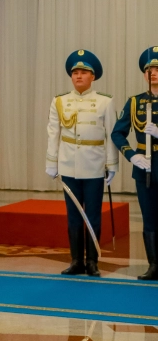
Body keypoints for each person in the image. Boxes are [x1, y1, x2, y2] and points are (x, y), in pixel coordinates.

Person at [48, 50, 117, 277]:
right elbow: (53, 133)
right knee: (74, 216)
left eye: (84, 72)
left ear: (93, 77)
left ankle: (93, 262)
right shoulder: (59, 101)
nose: (78, 76)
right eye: (75, 72)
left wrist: (112, 164)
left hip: (94, 166)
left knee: (94, 216)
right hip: (68, 166)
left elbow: (110, 135)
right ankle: (76, 260)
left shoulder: (105, 102)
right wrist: (52, 162)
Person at [112, 47, 158, 280]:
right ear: (144, 74)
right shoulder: (134, 102)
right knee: (149, 218)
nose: (154, 73)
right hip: (145, 166)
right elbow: (117, 134)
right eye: (150, 69)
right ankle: (154, 265)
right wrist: (132, 155)